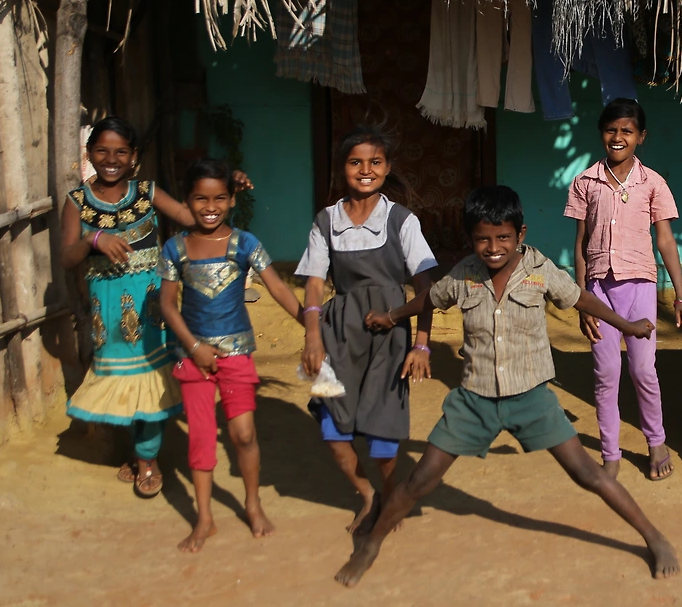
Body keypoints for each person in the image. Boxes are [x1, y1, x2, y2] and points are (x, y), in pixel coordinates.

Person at [333, 185, 680, 588]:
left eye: (503, 237)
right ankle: (371, 546)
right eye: (483, 238)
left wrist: (627, 326)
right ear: (470, 238)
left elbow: (581, 299)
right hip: (474, 400)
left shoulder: (539, 269)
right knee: (420, 481)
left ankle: (654, 538)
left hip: (531, 397)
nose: (493, 247)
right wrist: (392, 316)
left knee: (589, 475)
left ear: (521, 234)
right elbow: (429, 299)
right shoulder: (463, 274)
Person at [59, 117, 252, 499]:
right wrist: (93, 240)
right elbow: (66, 258)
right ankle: (137, 448)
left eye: (120, 152)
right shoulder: (76, 201)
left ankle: (147, 458)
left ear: (134, 157)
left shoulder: (147, 192)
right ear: (89, 154)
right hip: (108, 312)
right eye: (102, 151)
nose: (111, 159)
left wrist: (226, 189)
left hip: (152, 307)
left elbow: (193, 218)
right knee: (124, 383)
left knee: (153, 378)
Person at [296, 126, 438, 533]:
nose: (365, 170)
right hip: (339, 334)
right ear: (342, 168)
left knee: (383, 434)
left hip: (390, 337)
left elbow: (426, 288)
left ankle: (391, 493)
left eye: (375, 162)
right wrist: (312, 338)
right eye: (355, 162)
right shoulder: (326, 221)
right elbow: (314, 285)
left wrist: (422, 345)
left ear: (387, 167)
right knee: (332, 430)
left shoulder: (402, 221)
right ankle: (367, 495)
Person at [159, 158, 303, 552]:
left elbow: (278, 288)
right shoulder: (175, 248)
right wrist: (194, 348)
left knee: (243, 434)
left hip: (237, 355)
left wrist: (312, 324)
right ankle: (204, 518)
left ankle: (252, 504)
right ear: (187, 201)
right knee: (201, 439)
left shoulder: (245, 244)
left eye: (219, 198)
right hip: (192, 357)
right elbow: (168, 305)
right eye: (200, 199)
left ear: (232, 199)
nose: (211, 207)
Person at [563, 98, 682, 481]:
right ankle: (611, 453)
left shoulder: (652, 183)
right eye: (611, 130)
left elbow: (665, 240)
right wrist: (582, 299)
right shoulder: (585, 183)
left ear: (641, 137)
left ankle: (656, 442)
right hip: (598, 291)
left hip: (639, 287)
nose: (618, 137)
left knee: (642, 370)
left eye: (627, 131)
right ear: (601, 133)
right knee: (606, 373)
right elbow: (580, 243)